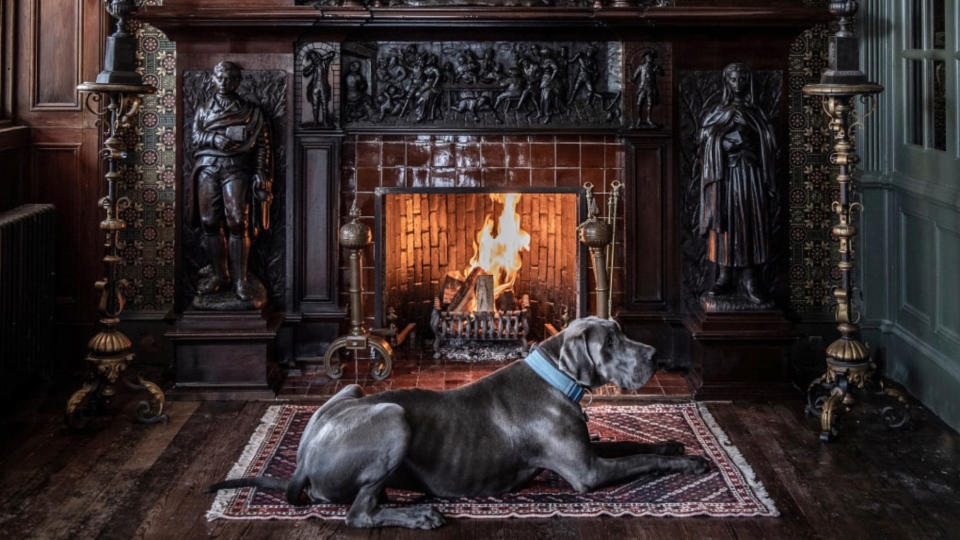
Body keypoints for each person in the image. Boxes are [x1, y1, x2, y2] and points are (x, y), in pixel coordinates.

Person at [190, 61, 272, 305]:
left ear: (238, 82)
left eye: (230, 79)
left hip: (236, 169)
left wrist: (260, 172)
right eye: (221, 78)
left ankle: (240, 280)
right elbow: (195, 137)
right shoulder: (204, 109)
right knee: (209, 221)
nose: (225, 83)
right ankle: (219, 274)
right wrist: (214, 139)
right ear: (213, 80)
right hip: (208, 167)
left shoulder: (251, 112)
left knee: (237, 221)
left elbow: (262, 145)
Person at [697, 62, 777, 305]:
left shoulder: (756, 113)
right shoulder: (719, 111)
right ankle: (724, 275)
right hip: (726, 177)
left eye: (742, 78)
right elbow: (703, 139)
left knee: (750, 222)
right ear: (727, 83)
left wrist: (750, 138)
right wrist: (723, 141)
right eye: (734, 79)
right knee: (725, 222)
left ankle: (751, 278)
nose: (739, 83)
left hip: (751, 174)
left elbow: (769, 141)